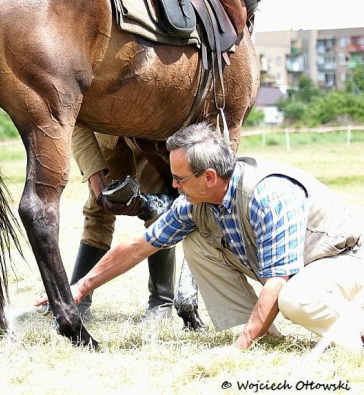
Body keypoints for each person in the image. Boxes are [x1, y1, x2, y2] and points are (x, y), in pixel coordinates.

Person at [42, 122, 364, 350]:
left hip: (340, 259)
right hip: (299, 269)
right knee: (196, 241)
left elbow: (278, 281)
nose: (175, 186)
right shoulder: (197, 201)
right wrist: (80, 287)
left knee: (296, 300)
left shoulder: (268, 195)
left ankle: (356, 336)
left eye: (180, 179)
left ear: (209, 176)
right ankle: (260, 336)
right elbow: (140, 247)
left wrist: (239, 349)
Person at [70, 125, 178, 321]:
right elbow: (78, 126)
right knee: (97, 211)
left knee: (159, 211)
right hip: (107, 132)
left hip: (152, 132)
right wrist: (99, 190)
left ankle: (161, 302)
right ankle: (78, 299)